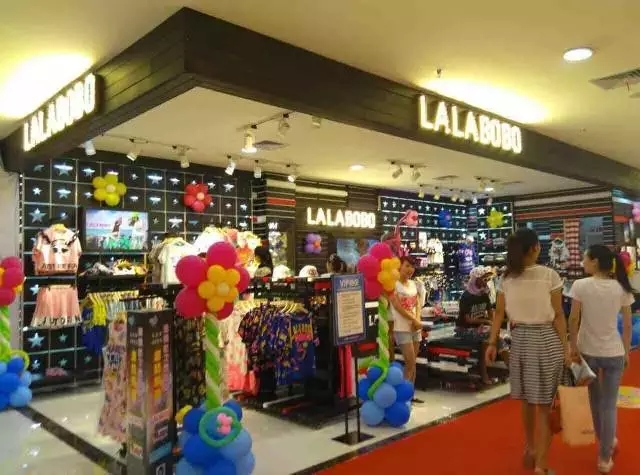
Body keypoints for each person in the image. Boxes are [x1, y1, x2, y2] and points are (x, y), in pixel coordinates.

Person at [486, 229, 568, 475]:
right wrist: (566, 348)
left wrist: (492, 343)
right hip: (546, 340)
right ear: (535, 248)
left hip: (519, 340)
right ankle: (541, 464)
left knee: (527, 400)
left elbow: (498, 314)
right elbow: (558, 315)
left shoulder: (506, 279)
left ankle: (531, 448)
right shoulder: (549, 275)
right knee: (544, 405)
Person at [568, 245, 634, 474]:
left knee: (595, 402)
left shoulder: (580, 285)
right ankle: (605, 457)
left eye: (585, 258)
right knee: (609, 405)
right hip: (614, 352)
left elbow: (573, 319)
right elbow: (627, 324)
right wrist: (626, 352)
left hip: (588, 352)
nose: (582, 262)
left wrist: (572, 347)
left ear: (595, 261)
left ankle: (606, 442)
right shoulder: (621, 287)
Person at [456, 266, 509, 385]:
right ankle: (485, 375)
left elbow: (491, 314)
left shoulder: (484, 295)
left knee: (498, 337)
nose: (486, 282)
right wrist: (486, 322)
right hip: (464, 330)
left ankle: (511, 370)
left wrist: (494, 326)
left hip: (481, 328)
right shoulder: (466, 296)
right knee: (487, 339)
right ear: (476, 279)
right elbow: (468, 320)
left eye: (487, 279)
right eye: (484, 279)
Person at [390, 256, 423, 403]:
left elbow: (417, 304)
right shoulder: (394, 285)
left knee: (413, 362)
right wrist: (413, 320)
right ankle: (401, 397)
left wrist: (417, 319)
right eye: (407, 266)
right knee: (409, 362)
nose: (410, 269)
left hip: (415, 327)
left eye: (412, 266)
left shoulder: (413, 284)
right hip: (402, 327)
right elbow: (397, 306)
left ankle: (410, 394)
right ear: (400, 267)